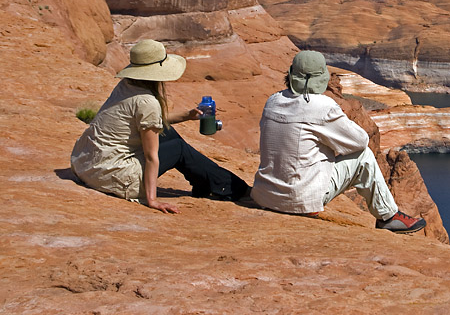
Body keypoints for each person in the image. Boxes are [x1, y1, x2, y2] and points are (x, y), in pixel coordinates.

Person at [251, 50, 426, 233]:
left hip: (265, 196)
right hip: (299, 200)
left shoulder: (273, 100)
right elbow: (360, 141)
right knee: (363, 156)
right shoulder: (321, 106)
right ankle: (388, 217)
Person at [71, 39, 249, 213]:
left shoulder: (126, 85)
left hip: (88, 165)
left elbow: (148, 121)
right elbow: (151, 157)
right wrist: (152, 200)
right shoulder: (147, 101)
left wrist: (187, 115)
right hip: (110, 176)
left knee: (167, 133)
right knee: (178, 148)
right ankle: (230, 187)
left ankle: (209, 183)